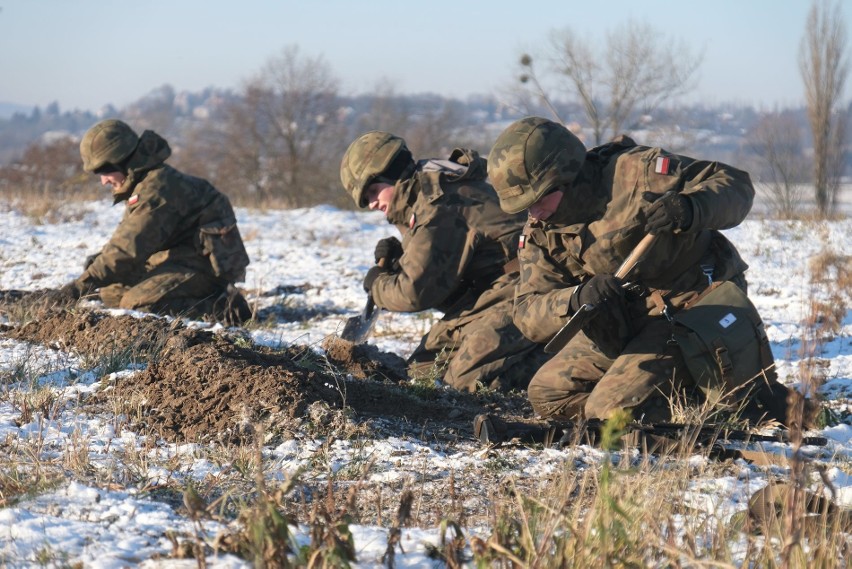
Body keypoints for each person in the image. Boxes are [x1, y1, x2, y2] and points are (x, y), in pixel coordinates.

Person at [486, 116, 811, 426]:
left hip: (694, 306)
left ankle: (720, 394)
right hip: (627, 318)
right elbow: (527, 310)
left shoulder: (636, 172)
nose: (534, 212)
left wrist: (690, 208)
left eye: (540, 197)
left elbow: (736, 186)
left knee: (607, 409)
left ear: (567, 176)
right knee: (547, 394)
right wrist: (575, 298)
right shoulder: (542, 231)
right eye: (524, 205)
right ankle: (653, 399)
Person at [339, 131, 551, 392]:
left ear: (393, 175)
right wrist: (399, 262)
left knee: (465, 382)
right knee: (423, 370)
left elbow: (414, 293)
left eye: (373, 191)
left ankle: (557, 357)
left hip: (529, 286)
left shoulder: (438, 204)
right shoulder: (424, 195)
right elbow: (444, 277)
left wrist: (378, 283)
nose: (371, 204)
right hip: (491, 292)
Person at [58, 119, 251, 324]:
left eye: (104, 171)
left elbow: (127, 250)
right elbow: (127, 240)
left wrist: (77, 288)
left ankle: (223, 307)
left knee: (138, 306)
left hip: (203, 267)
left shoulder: (157, 188)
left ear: (122, 160)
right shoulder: (143, 183)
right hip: (175, 258)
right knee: (112, 292)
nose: (103, 180)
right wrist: (97, 266)